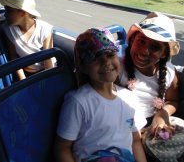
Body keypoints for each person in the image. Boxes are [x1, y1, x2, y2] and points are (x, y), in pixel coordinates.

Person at [55, 28, 147, 162]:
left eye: (110, 55)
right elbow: (62, 148)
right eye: (96, 58)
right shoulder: (78, 102)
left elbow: (136, 141)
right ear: (83, 67)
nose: (106, 63)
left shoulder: (129, 99)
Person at [119, 12, 180, 135]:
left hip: (155, 124)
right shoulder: (118, 68)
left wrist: (162, 113)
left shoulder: (168, 73)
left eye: (155, 47)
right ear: (132, 40)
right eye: (141, 41)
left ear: (164, 54)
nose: (144, 51)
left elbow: (173, 101)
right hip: (124, 127)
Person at [0, 0, 55, 80]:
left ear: (22, 13)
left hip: (46, 71)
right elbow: (13, 56)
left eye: (8, 11)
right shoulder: (8, 29)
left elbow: (48, 60)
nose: (5, 14)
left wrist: (50, 80)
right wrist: (23, 79)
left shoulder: (45, 29)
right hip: (25, 73)